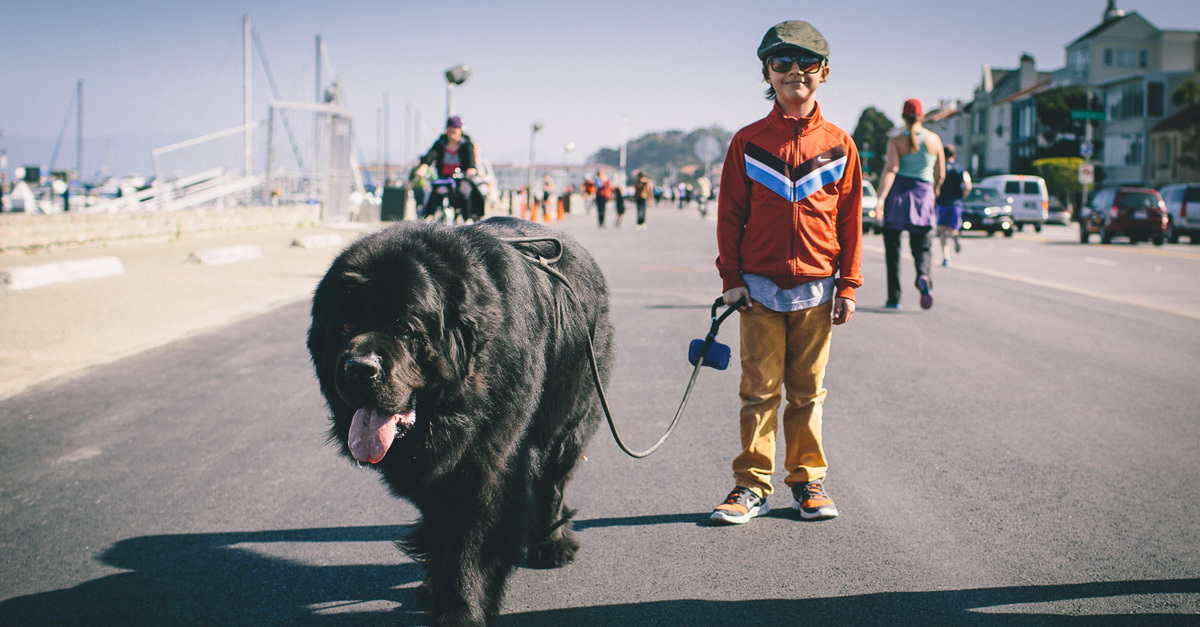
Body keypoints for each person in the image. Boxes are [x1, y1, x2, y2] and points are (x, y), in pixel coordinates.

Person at [711, 20, 862, 525]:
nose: (794, 71)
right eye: (781, 62)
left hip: (819, 289)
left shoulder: (841, 144)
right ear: (767, 72)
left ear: (824, 72)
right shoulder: (747, 142)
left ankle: (807, 483)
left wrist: (849, 285)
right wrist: (730, 279)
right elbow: (729, 213)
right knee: (758, 390)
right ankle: (750, 486)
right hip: (756, 289)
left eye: (806, 62)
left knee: (807, 393)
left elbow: (851, 221)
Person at [875, 98, 944, 309]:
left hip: (899, 195)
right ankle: (923, 275)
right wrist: (934, 193)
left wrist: (880, 200)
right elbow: (940, 175)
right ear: (922, 116)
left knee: (893, 250)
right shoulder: (934, 140)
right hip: (923, 196)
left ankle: (894, 299)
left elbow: (891, 170)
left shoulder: (896, 141)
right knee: (922, 246)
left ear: (903, 117)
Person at [413, 116, 485, 222]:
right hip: (443, 178)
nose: (453, 131)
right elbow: (430, 156)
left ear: (460, 130)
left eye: (456, 128)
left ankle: (468, 219)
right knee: (433, 194)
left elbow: (471, 162)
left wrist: (470, 169)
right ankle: (426, 219)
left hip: (460, 178)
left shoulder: (466, 144)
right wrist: (423, 167)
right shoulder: (440, 143)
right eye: (450, 128)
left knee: (465, 192)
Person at [935, 144, 970, 266]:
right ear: (954, 155)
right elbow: (968, 185)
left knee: (942, 231)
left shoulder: (940, 168)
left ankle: (946, 258)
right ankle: (955, 235)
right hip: (956, 203)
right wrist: (962, 196)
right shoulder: (960, 169)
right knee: (954, 228)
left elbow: (935, 183)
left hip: (942, 203)